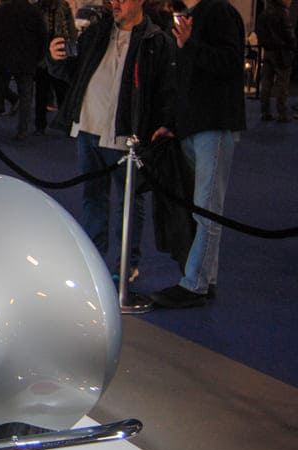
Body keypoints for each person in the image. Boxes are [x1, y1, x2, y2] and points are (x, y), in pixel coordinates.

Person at [49, 0, 176, 281]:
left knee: (130, 201)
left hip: (125, 137)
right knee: (93, 197)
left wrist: (166, 123)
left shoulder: (156, 41)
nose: (115, 3)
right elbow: (72, 73)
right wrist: (55, 59)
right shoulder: (96, 32)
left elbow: (166, 87)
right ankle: (94, 257)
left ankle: (127, 263)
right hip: (88, 128)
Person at [150, 0, 245, 308]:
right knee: (202, 207)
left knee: (205, 208)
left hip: (212, 125)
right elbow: (185, 78)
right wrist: (174, 123)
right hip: (196, 126)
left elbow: (230, 63)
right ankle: (205, 277)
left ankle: (195, 283)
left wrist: (190, 45)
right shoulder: (198, 13)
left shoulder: (218, 11)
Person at [0, 0, 47, 140]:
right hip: (26, 61)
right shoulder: (34, 12)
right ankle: (22, 130)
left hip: (2, 60)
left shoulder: (0, 11)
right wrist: (37, 57)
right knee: (26, 97)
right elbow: (43, 36)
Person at [34, 0, 76, 134]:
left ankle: (66, 124)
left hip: (61, 54)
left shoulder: (63, 7)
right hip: (41, 55)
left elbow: (71, 30)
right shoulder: (37, 8)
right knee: (41, 93)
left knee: (62, 91)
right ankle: (40, 125)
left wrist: (71, 48)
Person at [256, 0, 295, 122]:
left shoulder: (264, 14)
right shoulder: (283, 13)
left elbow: (259, 33)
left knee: (266, 83)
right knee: (282, 84)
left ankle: (265, 111)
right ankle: (282, 113)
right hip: (282, 52)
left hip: (268, 52)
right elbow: (289, 34)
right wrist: (293, 45)